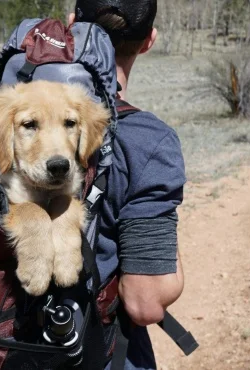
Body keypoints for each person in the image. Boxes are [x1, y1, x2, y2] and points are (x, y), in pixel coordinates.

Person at [70, 1, 187, 368]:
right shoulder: (147, 142)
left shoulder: (11, 112)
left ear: (72, 25)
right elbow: (144, 302)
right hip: (90, 351)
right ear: (149, 40)